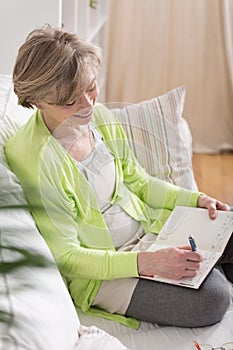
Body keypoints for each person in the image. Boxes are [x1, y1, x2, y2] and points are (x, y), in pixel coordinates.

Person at [5, 25, 233, 329]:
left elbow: (138, 181)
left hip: (149, 233)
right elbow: (67, 256)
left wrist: (197, 199)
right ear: (36, 101)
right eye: (69, 101)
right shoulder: (34, 158)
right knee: (213, 299)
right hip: (105, 274)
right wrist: (147, 263)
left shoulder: (98, 117)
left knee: (227, 218)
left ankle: (208, 263)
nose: (88, 105)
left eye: (91, 88)